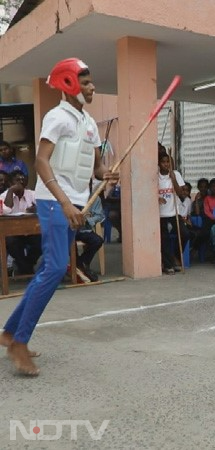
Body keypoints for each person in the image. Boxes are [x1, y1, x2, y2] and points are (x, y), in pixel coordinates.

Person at [1, 58, 118, 376]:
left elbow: (95, 169)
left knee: (49, 272)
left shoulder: (90, 124)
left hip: (76, 204)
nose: (92, 86)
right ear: (68, 83)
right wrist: (65, 203)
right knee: (54, 269)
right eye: (86, 81)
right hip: (54, 202)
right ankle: (19, 343)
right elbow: (40, 162)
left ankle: (11, 332)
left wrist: (108, 174)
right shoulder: (57, 117)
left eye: (92, 81)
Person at [1, 170, 40, 275]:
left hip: (31, 231)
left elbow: (44, 208)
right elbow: (5, 210)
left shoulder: (32, 194)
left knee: (42, 240)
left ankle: (25, 265)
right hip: (12, 234)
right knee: (11, 242)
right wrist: (10, 191)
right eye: (17, 180)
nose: (21, 182)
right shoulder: (4, 196)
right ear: (10, 183)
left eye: (23, 179)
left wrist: (36, 209)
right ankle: (25, 267)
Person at [158, 151, 191, 274]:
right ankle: (168, 265)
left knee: (185, 234)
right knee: (164, 238)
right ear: (159, 164)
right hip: (161, 214)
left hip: (173, 212)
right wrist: (158, 197)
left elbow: (181, 194)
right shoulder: (156, 175)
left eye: (168, 162)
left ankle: (175, 256)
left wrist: (173, 179)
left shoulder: (175, 174)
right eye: (163, 162)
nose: (166, 164)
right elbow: (151, 190)